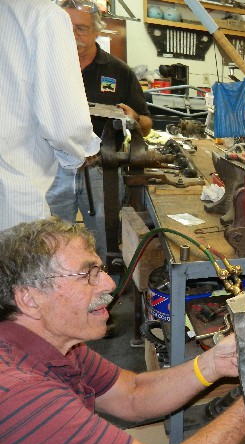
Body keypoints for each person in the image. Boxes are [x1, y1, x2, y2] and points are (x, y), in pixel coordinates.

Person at [0, 217, 245, 444]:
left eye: (101, 270)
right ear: (29, 298)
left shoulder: (59, 345)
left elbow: (132, 394)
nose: (109, 284)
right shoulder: (22, 398)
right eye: (88, 274)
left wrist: (213, 363)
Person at [47, 0, 152, 264]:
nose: (74, 35)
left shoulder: (119, 72)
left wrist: (133, 118)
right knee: (48, 239)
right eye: (67, 28)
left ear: (97, 31)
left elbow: (147, 124)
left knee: (103, 238)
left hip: (101, 170)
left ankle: (103, 288)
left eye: (81, 28)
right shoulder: (45, 67)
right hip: (51, 166)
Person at [0, 0, 101, 231]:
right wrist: (83, 150)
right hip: (14, 195)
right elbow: (65, 126)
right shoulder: (46, 15)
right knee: (22, 262)